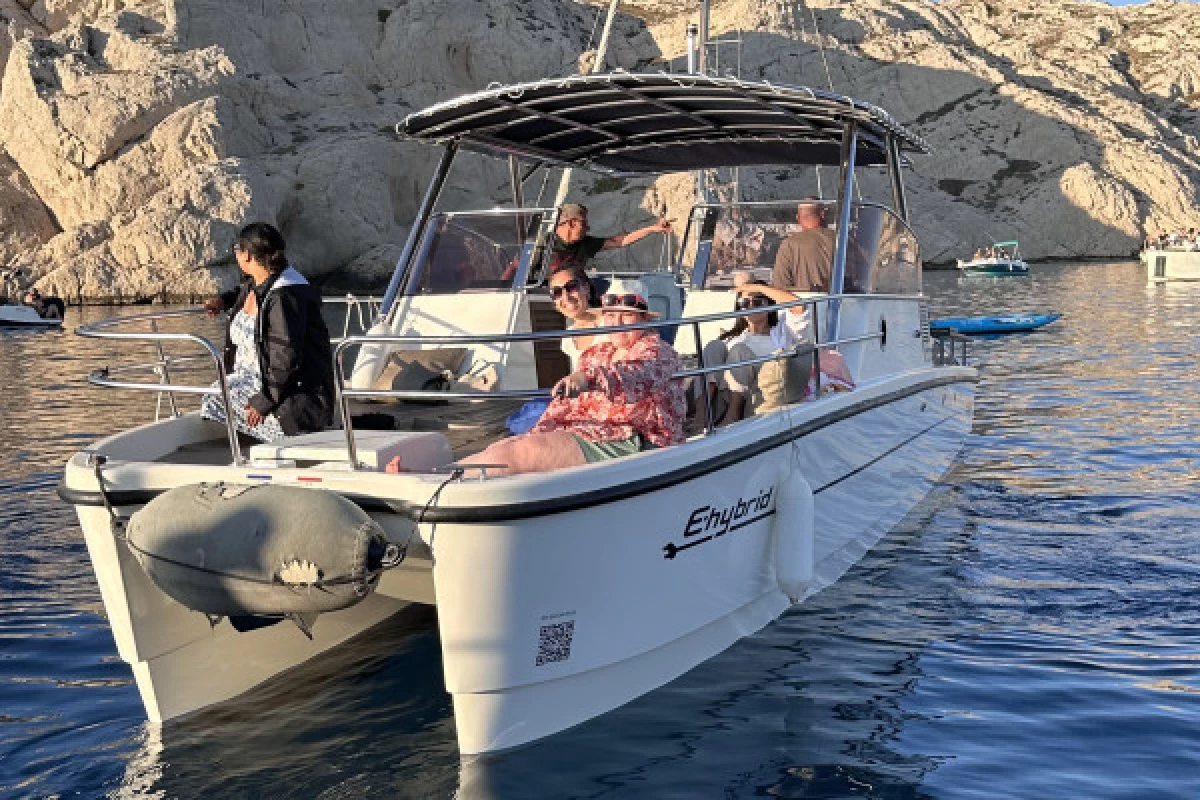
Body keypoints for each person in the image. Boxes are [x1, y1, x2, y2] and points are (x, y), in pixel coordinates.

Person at [444, 278, 685, 477]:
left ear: (643, 319)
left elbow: (637, 375)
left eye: (627, 315)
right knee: (506, 446)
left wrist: (587, 378)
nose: (617, 323)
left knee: (523, 453)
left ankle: (444, 486)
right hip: (589, 430)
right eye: (611, 315)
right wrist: (543, 428)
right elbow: (568, 405)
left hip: (636, 437)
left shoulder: (657, 351)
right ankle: (437, 477)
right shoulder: (597, 353)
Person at [201, 222, 334, 441]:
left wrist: (264, 402)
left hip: (291, 393)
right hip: (258, 378)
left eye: (237, 249)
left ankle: (279, 437)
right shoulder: (260, 283)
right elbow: (247, 295)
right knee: (215, 394)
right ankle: (255, 437)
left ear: (248, 256)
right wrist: (224, 301)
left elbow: (286, 358)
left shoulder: (284, 296)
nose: (235, 254)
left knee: (217, 397)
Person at [547, 203, 672, 274]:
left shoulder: (585, 243)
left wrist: (651, 229)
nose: (588, 228)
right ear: (571, 223)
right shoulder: (542, 244)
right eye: (584, 224)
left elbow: (619, 241)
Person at [772, 199, 835, 293]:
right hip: (847, 303)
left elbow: (779, 288)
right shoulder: (846, 240)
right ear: (823, 214)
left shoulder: (789, 244)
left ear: (798, 217)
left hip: (804, 305)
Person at [548, 265, 603, 369]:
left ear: (586, 288)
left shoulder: (611, 323)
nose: (566, 297)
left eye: (571, 287)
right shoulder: (568, 339)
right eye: (557, 292)